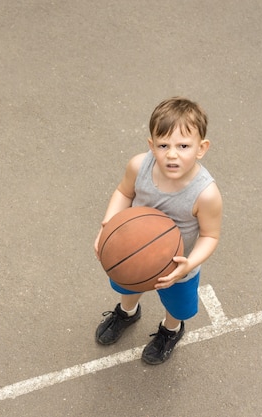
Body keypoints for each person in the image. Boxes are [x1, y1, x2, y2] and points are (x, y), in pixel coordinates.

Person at [94, 96, 223, 365]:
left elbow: (210, 235)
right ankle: (127, 313)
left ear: (202, 148)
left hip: (177, 267)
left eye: (183, 146)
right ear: (152, 146)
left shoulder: (206, 194)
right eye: (163, 145)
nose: (172, 154)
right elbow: (123, 192)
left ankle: (171, 330)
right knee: (128, 286)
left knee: (177, 308)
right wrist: (108, 226)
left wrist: (189, 264)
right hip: (132, 252)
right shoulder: (139, 166)